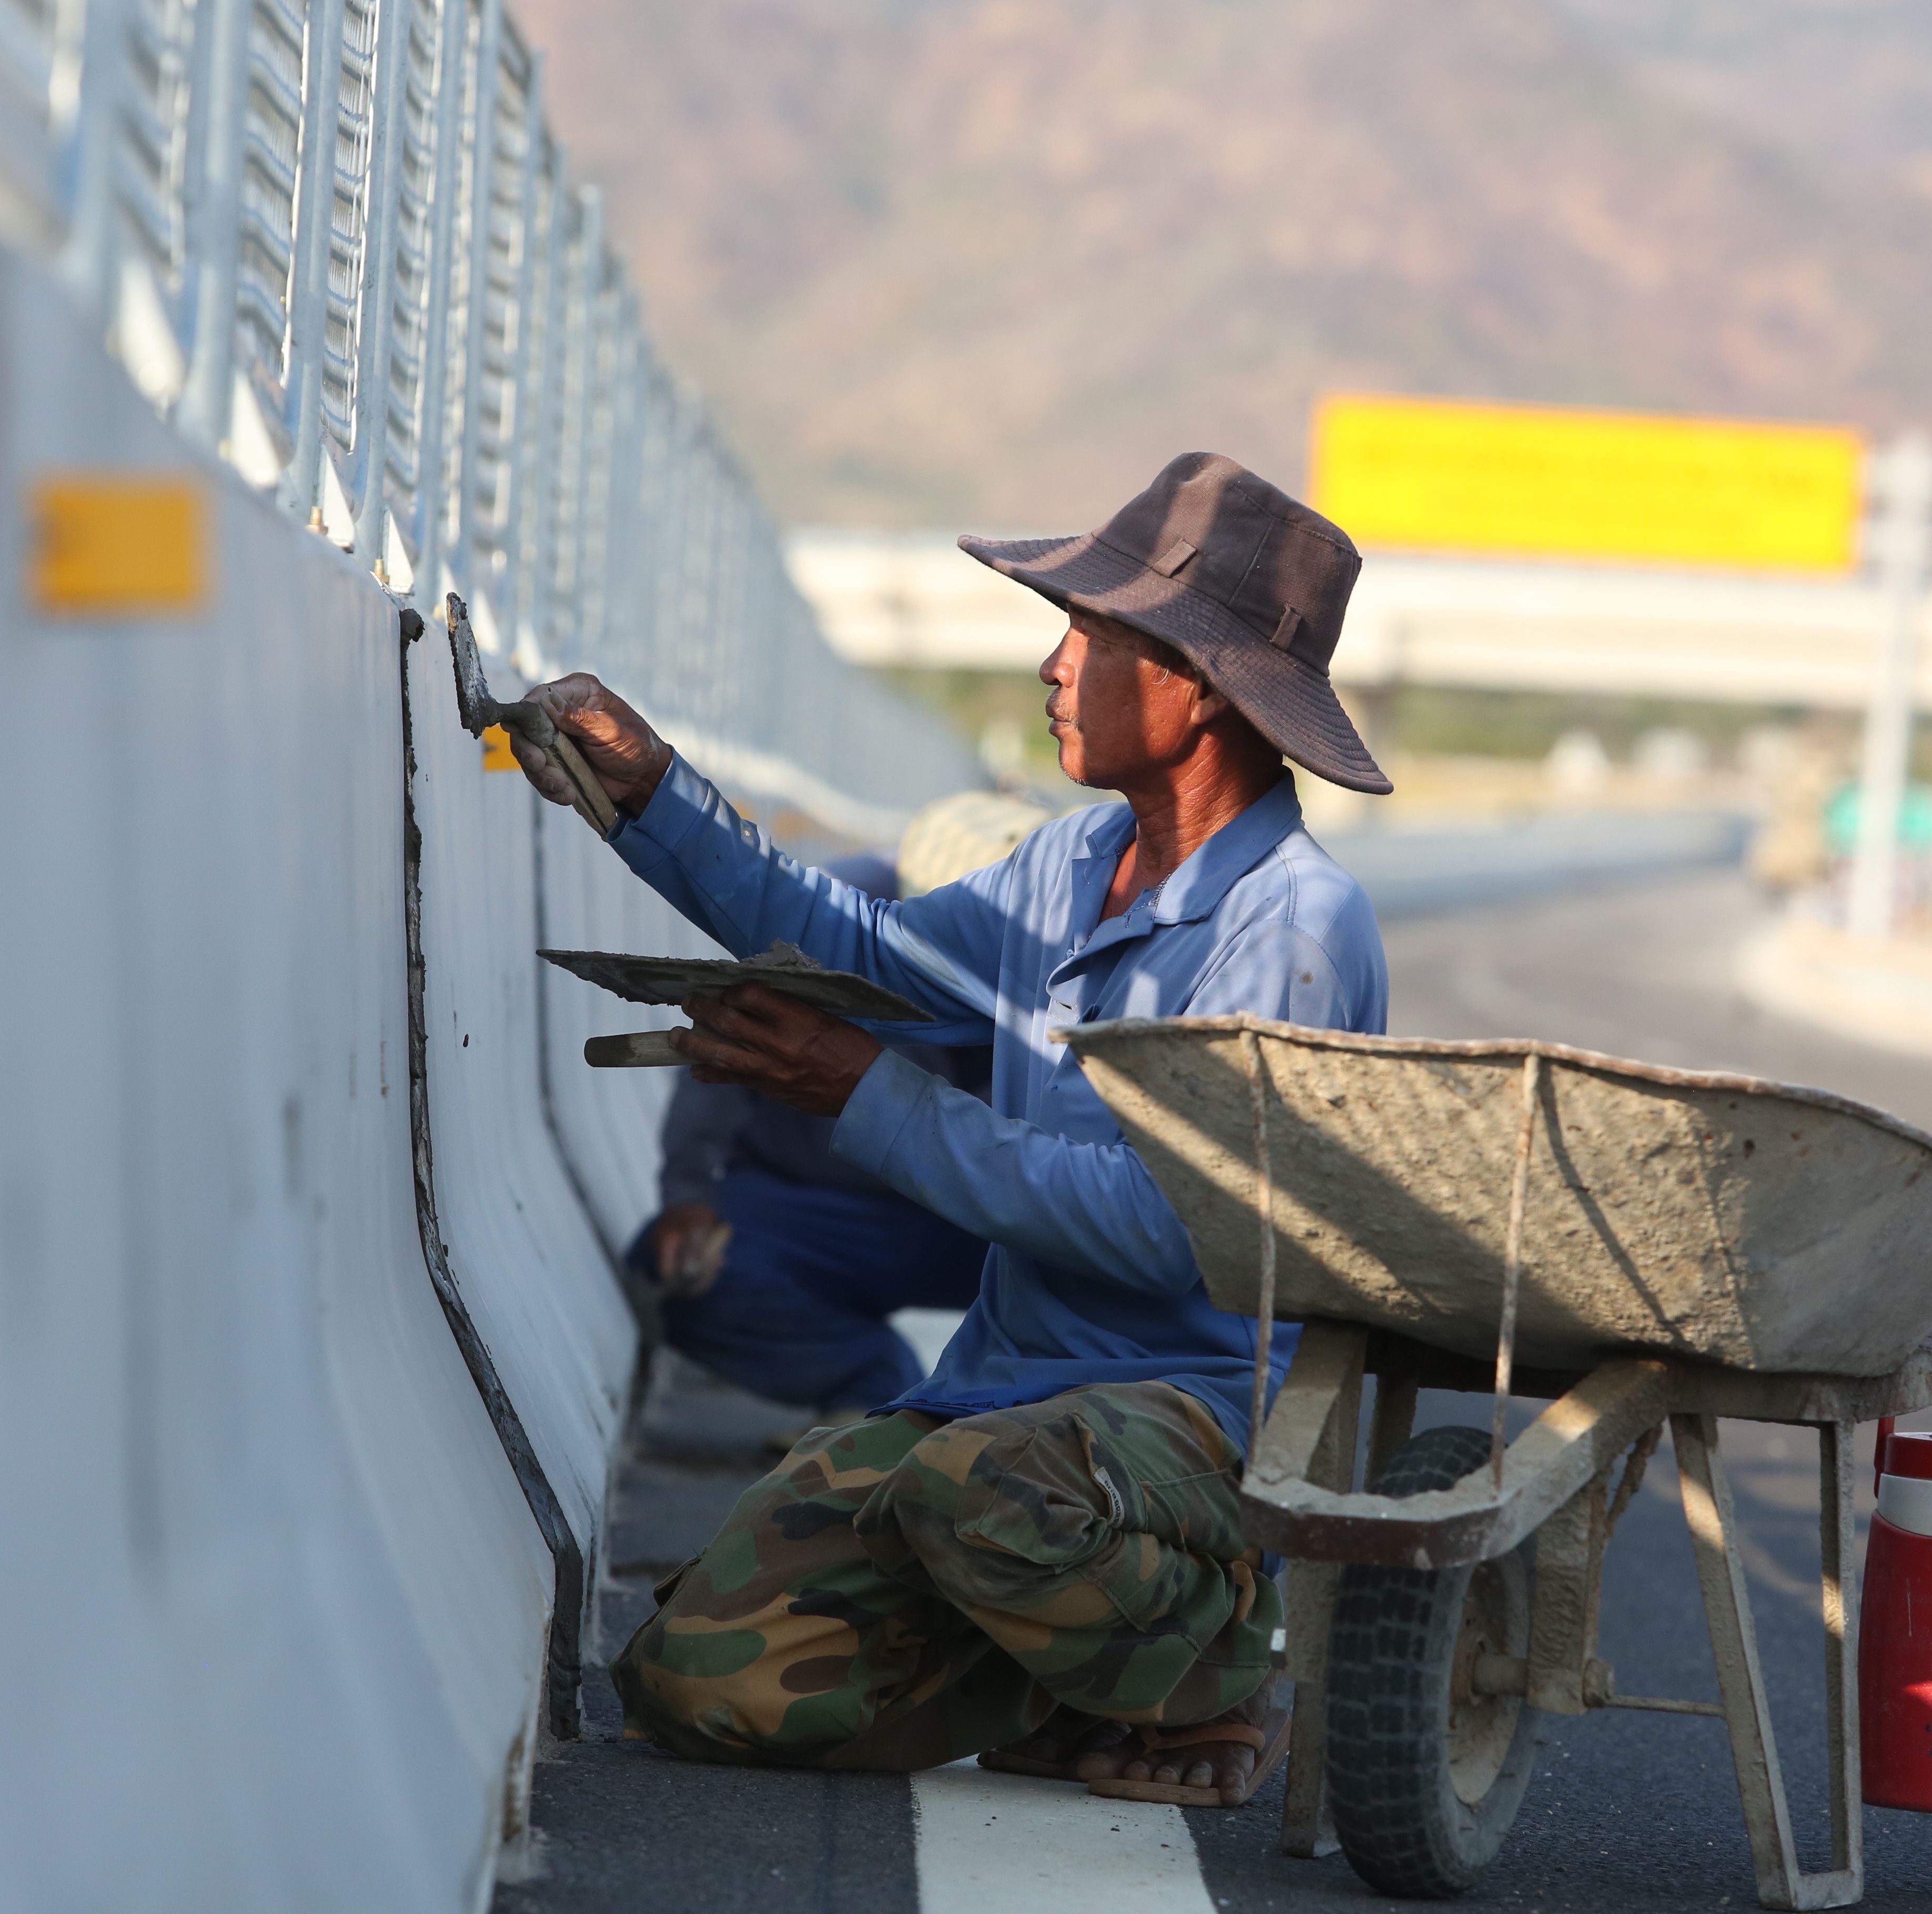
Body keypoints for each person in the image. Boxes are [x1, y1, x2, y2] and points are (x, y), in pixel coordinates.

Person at [508, 453, 1393, 1806]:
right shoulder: (1065, 867)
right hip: (1003, 1402)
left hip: (1197, 1426)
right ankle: (1063, 1676)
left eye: (1086, 637)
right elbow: (864, 952)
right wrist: (649, 797)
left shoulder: (1292, 926)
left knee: (977, 1490)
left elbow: (1170, 1235)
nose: (1050, 666)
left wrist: (866, 1090)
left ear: (1196, 688)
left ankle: (1218, 1652)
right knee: (691, 1678)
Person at [630, 819, 1030, 1421]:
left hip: (970, 1210)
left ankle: (1050, 1433)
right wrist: (688, 1194)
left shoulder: (1069, 955)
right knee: (681, 1273)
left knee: (1124, 1280)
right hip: (814, 1202)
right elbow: (723, 1049)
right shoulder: (829, 917)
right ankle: (874, 1390)